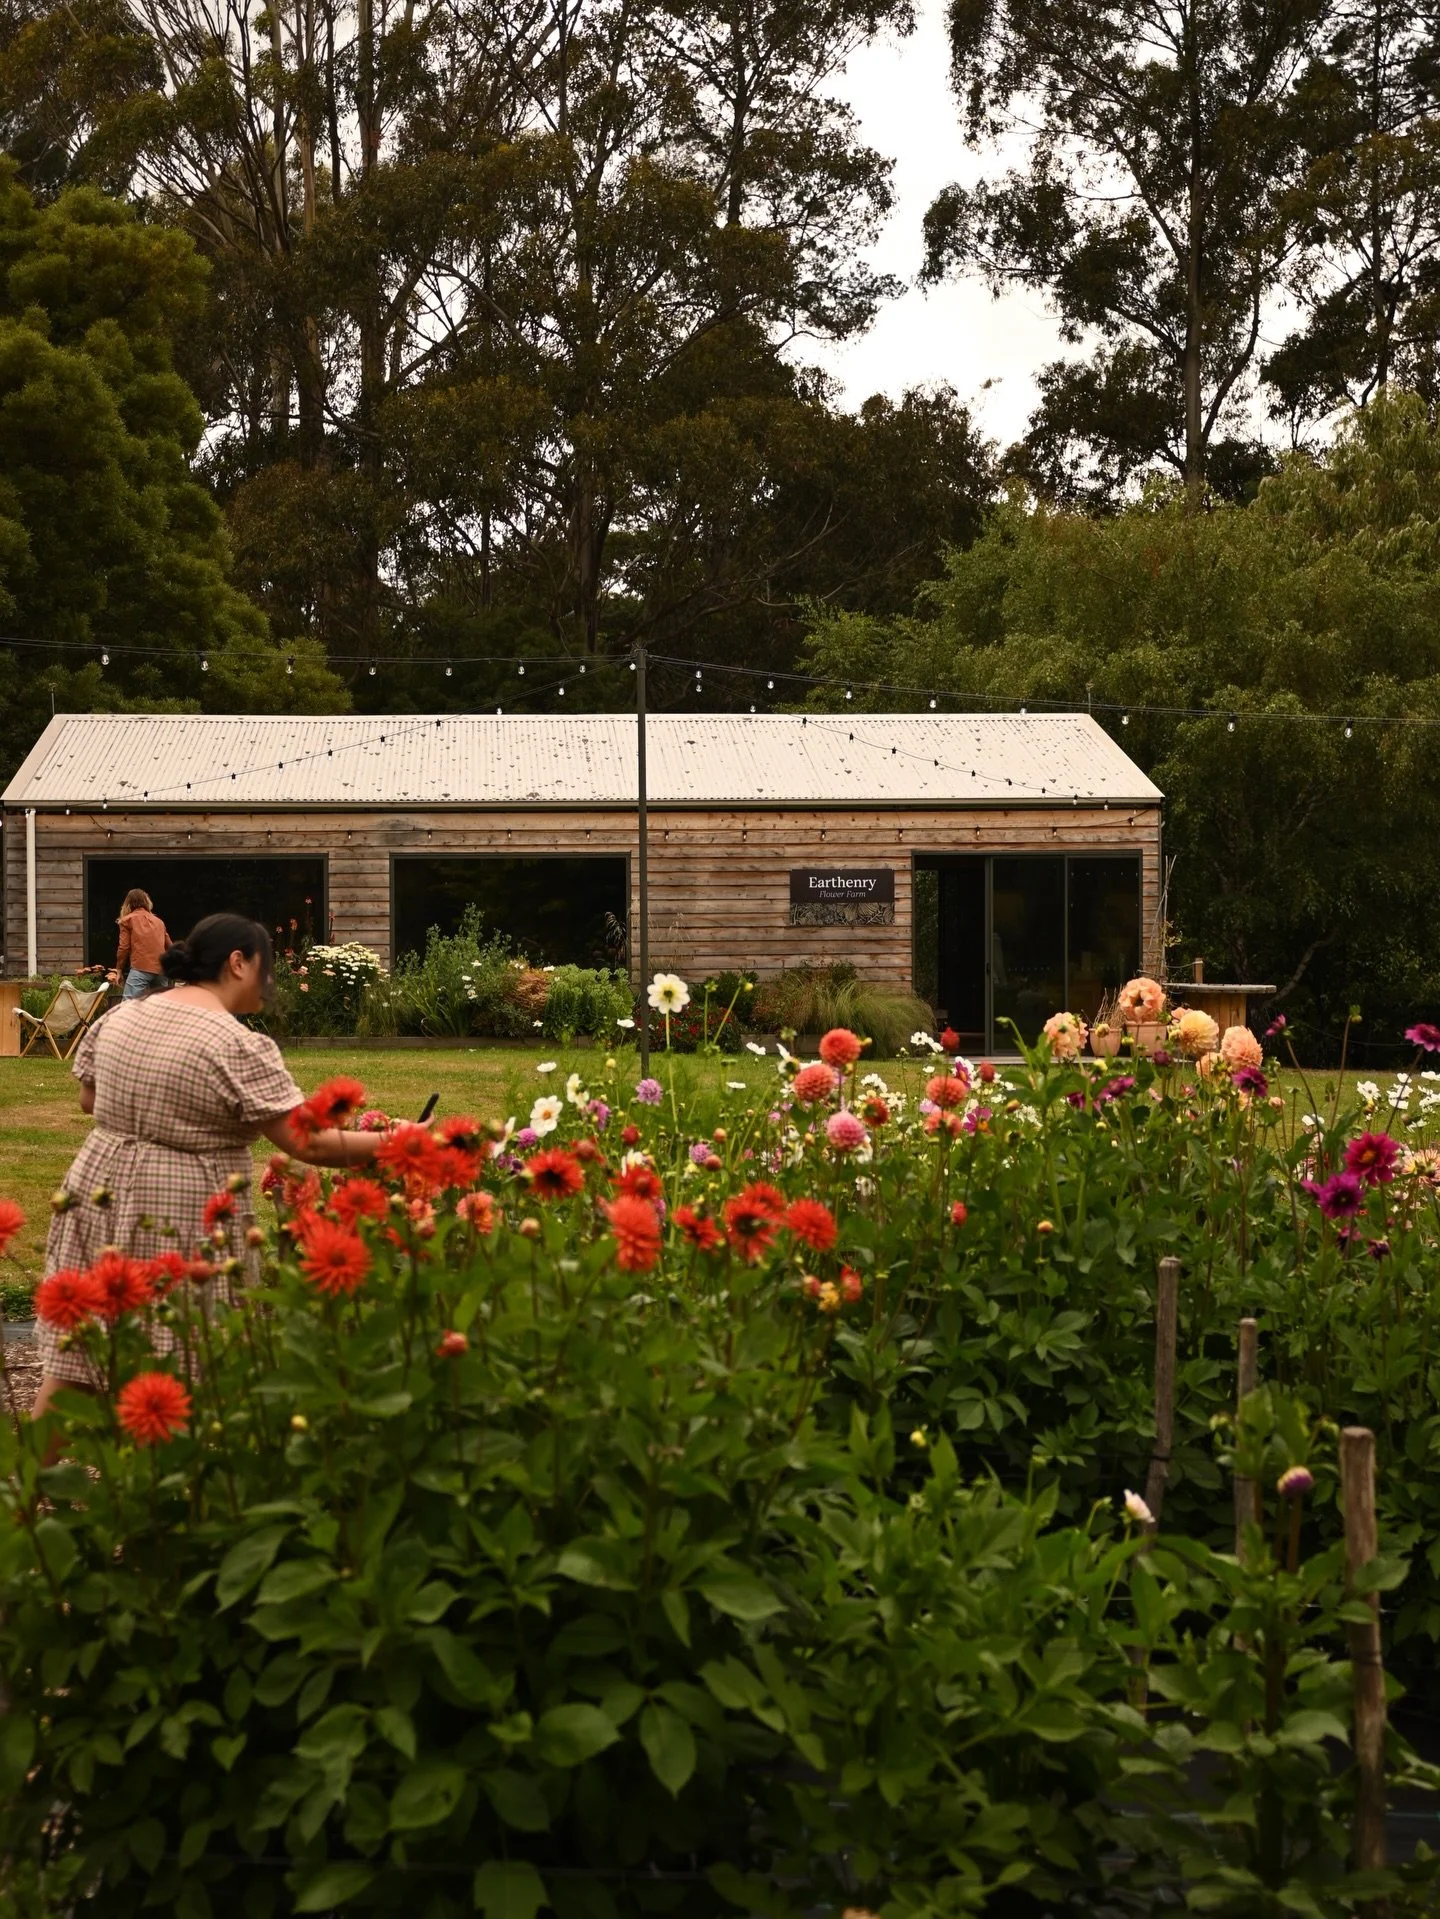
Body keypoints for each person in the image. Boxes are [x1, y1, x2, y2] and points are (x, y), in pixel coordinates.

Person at [31, 914, 382, 1419]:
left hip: (96, 1184)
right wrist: (396, 1141)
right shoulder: (235, 1043)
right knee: (184, 1353)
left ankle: (23, 1489)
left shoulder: (125, 1015)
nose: (270, 983)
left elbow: (90, 1098)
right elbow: (311, 1145)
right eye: (267, 969)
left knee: (80, 1354)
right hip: (180, 1201)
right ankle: (169, 1487)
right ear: (237, 962)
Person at [112, 889, 170, 1000]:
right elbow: (170, 947)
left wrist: (119, 969)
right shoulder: (159, 922)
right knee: (159, 1008)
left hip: (140, 968)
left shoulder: (127, 920)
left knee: (128, 1006)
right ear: (147, 902)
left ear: (127, 903)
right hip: (161, 971)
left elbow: (124, 947)